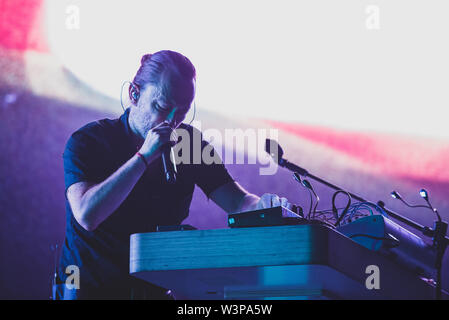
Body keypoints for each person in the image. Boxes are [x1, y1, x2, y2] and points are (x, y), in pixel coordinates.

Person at [56, 50, 294, 299]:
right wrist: (144, 158)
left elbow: (236, 201)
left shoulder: (189, 143)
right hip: (91, 289)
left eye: (182, 112)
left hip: (153, 290)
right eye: (162, 107)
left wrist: (265, 206)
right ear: (134, 94)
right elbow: (87, 214)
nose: (171, 121)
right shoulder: (89, 141)